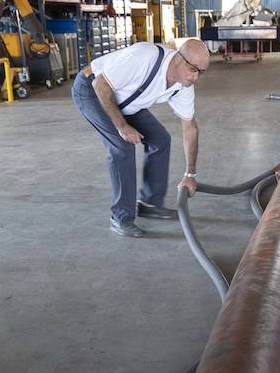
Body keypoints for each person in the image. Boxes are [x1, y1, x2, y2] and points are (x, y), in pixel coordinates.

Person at [71, 39, 210, 237]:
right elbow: (100, 84)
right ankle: (121, 217)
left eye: (201, 72)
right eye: (193, 69)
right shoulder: (144, 57)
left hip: (125, 101)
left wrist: (190, 174)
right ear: (179, 58)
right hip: (92, 90)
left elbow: (190, 128)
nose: (195, 77)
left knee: (160, 140)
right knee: (122, 146)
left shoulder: (183, 85)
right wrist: (122, 126)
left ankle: (150, 203)